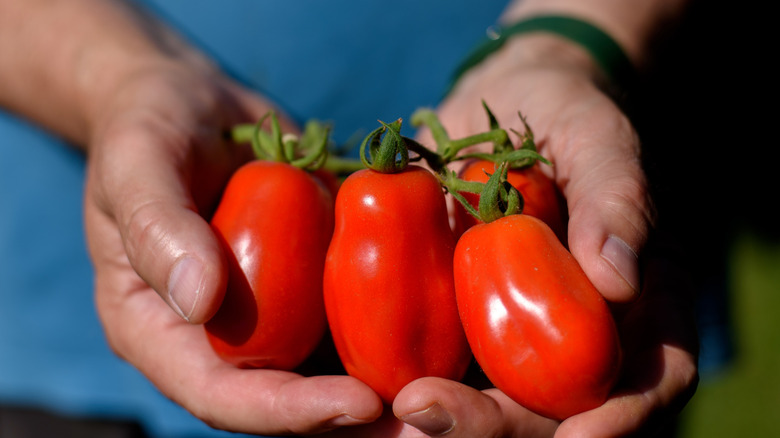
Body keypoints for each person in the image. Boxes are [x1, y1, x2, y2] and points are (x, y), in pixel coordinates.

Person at [0, 0, 699, 437]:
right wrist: (121, 81)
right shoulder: (469, 204)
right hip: (57, 364)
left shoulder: (483, 213)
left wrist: (575, 38)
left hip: (593, 185)